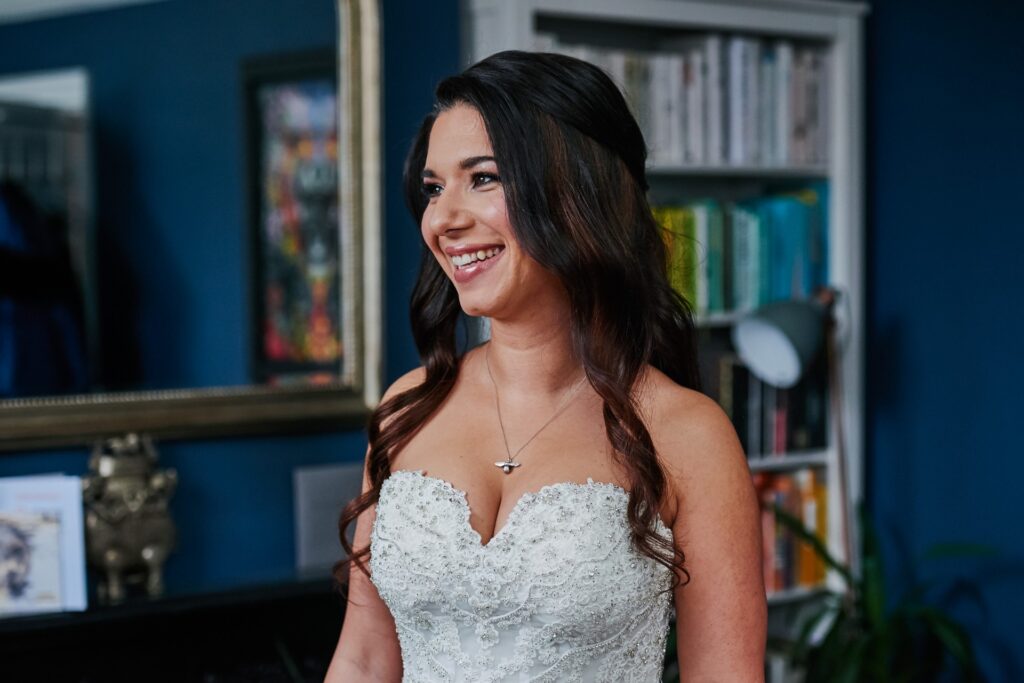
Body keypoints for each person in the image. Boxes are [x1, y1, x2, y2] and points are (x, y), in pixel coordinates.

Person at [326, 50, 765, 682]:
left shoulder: (688, 435)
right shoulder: (409, 408)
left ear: (576, 192)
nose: (444, 219)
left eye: (483, 178)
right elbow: (364, 661)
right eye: (433, 187)